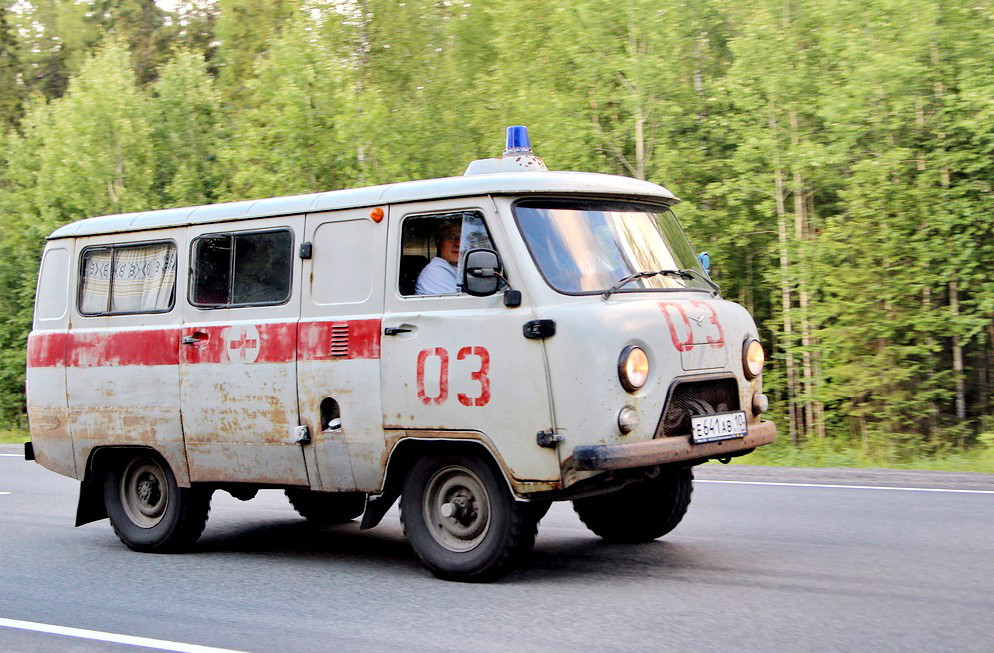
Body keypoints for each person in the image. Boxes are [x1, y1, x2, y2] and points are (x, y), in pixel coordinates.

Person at [415, 220, 462, 295]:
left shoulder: (456, 268)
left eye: (463, 239)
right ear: (439, 242)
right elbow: (463, 304)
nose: (458, 244)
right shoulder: (434, 272)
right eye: (451, 238)